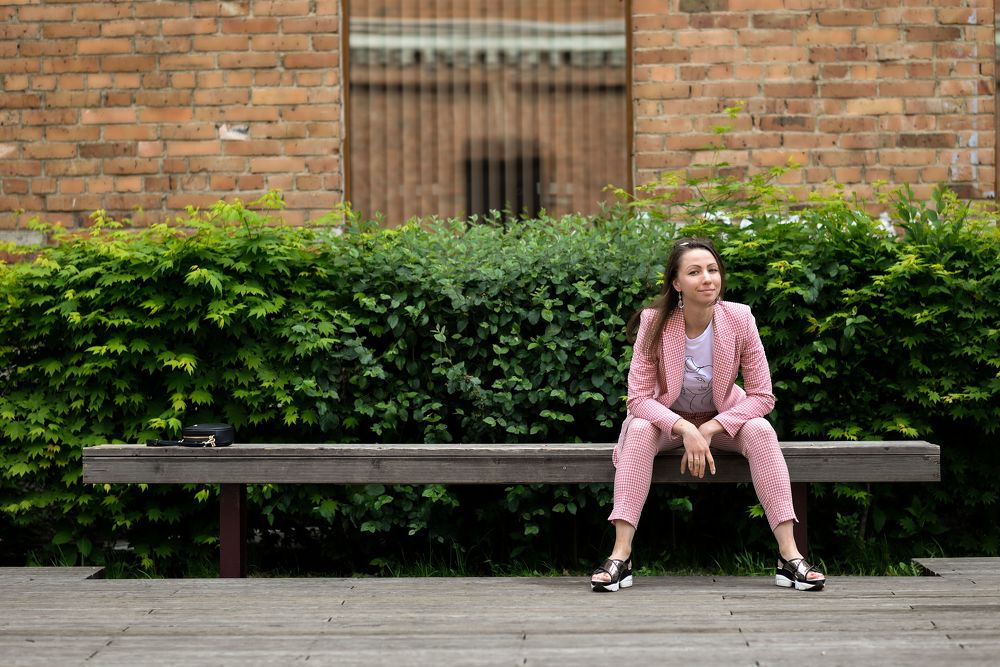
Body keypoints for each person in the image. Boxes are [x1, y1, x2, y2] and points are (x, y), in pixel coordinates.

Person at [590, 238, 825, 592]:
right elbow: (638, 399)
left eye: (713, 270)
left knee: (761, 429)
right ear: (676, 282)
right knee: (638, 428)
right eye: (695, 272)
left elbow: (762, 395)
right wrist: (684, 427)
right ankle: (621, 555)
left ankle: (789, 557)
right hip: (668, 422)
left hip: (721, 419)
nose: (707, 279)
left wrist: (712, 427)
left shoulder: (739, 318)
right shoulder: (655, 323)